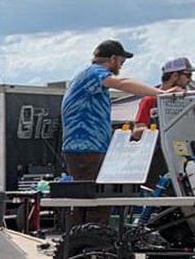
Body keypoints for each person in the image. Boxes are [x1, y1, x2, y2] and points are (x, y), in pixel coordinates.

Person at [61, 40, 176, 223]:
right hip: (86, 149)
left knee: (88, 202)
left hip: (85, 149)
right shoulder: (94, 73)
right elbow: (122, 83)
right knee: (99, 201)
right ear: (113, 58)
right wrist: (162, 94)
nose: (121, 66)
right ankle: (93, 237)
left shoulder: (85, 76)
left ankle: (83, 235)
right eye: (121, 62)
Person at [132, 56, 194, 137]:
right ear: (175, 75)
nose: (190, 80)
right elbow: (136, 132)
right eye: (188, 75)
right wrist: (160, 131)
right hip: (161, 145)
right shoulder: (150, 100)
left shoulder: (188, 100)